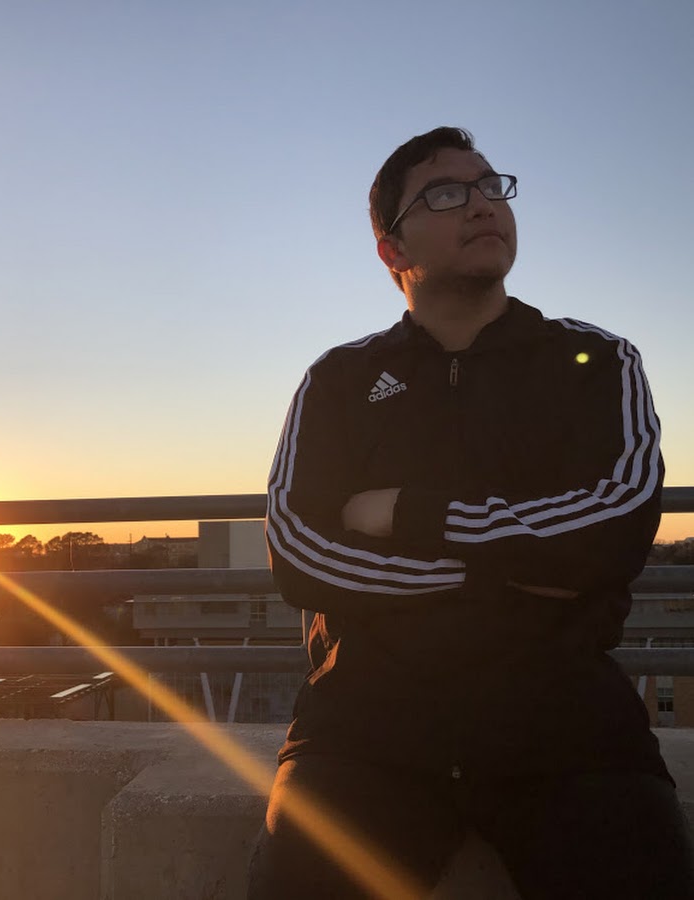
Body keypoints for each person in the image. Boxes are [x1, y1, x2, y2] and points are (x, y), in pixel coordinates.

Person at [247, 127, 694, 899]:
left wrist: (411, 517)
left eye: (492, 186)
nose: (484, 205)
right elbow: (299, 554)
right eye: (446, 194)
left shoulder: (595, 363)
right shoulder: (340, 379)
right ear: (391, 249)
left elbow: (613, 529)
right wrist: (506, 572)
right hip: (365, 735)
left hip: (569, 732)